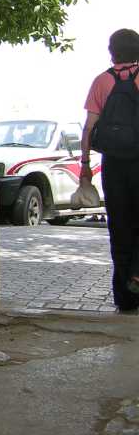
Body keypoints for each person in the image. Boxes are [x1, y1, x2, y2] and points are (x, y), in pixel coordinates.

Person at [80, 27, 139, 314]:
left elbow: (89, 128)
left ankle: (123, 296)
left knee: (119, 227)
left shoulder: (101, 81)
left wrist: (84, 167)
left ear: (111, 51)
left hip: (113, 164)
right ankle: (137, 278)